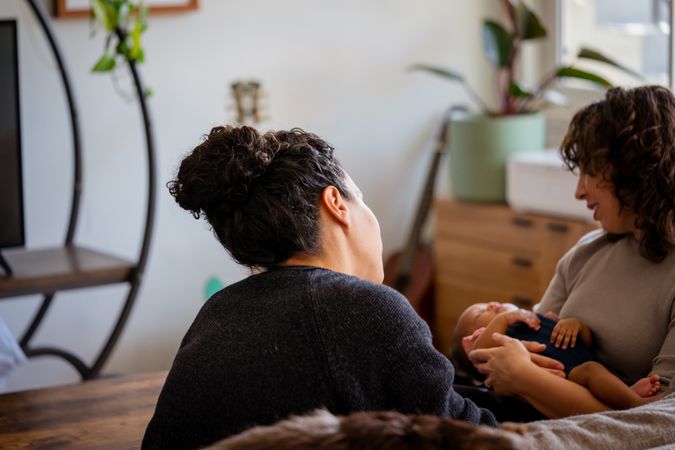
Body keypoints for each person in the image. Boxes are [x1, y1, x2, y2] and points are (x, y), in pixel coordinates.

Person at [142, 125, 506, 450]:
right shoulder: (365, 309)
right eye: (360, 198)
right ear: (336, 204)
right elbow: (477, 439)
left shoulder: (218, 309)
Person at [468, 85, 675, 419]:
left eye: (591, 173)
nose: (580, 191)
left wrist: (525, 378)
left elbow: (658, 418)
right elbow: (530, 343)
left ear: (635, 170)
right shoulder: (586, 252)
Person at [452, 301, 661, 413]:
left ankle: (624, 394)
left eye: (487, 302)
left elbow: (582, 343)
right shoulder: (499, 337)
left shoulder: (534, 320)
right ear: (476, 335)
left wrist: (576, 326)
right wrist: (503, 319)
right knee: (592, 371)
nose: (491, 305)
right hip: (567, 376)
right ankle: (634, 404)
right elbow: (482, 351)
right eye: (480, 314)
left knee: (597, 371)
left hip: (579, 360)